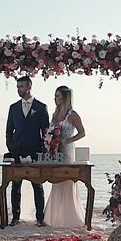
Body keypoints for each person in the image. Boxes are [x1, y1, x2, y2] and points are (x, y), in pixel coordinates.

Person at [5, 75, 50, 227]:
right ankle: (15, 217)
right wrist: (11, 147)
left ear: (29, 86)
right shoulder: (13, 107)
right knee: (15, 185)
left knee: (37, 185)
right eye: (17, 87)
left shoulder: (41, 107)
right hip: (17, 151)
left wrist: (43, 150)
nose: (19, 90)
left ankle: (40, 218)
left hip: (35, 151)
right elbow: (9, 130)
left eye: (21, 87)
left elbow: (46, 132)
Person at [44, 86, 86, 227]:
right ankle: (54, 217)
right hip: (55, 150)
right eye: (55, 96)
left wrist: (67, 140)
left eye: (58, 96)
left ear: (65, 97)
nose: (55, 99)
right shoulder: (55, 114)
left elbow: (82, 133)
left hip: (67, 149)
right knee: (56, 180)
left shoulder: (72, 115)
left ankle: (68, 217)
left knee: (66, 181)